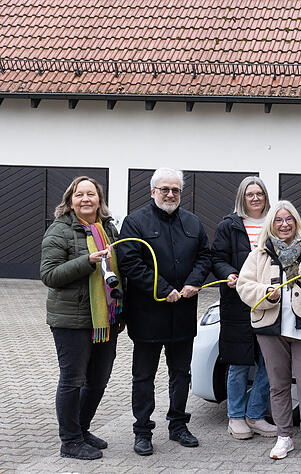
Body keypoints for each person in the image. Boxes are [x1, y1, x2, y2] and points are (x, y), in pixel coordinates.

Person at [236, 201, 301, 461]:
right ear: (271, 224)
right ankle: (284, 437)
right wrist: (265, 294)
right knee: (278, 385)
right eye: (278, 220)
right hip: (270, 326)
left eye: (289, 220)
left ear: (296, 221)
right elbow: (243, 285)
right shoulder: (260, 252)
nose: (284, 225)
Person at [117, 168, 212, 456]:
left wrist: (195, 282)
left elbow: (204, 255)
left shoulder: (192, 222)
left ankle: (178, 425)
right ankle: (143, 430)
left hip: (183, 313)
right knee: (144, 376)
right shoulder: (135, 222)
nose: (170, 194)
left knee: (181, 373)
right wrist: (162, 288)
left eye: (176, 190)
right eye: (165, 189)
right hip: (148, 315)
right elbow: (129, 262)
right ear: (152, 191)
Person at [40, 176, 123, 460]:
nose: (86, 199)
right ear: (70, 200)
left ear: (99, 200)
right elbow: (49, 275)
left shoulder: (108, 228)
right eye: (79, 195)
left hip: (105, 319)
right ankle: (70, 441)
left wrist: (120, 311)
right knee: (72, 380)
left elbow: (117, 273)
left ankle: (82, 429)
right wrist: (86, 262)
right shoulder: (59, 231)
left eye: (91, 194)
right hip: (71, 320)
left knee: (98, 380)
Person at [211, 176, 278, 440]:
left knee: (268, 361)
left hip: (270, 302)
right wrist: (228, 273)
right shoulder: (229, 225)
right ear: (242, 197)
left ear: (265, 196)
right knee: (238, 363)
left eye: (259, 193)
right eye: (249, 194)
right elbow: (216, 257)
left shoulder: (276, 223)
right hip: (238, 303)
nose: (255, 198)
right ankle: (236, 417)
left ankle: (256, 415)